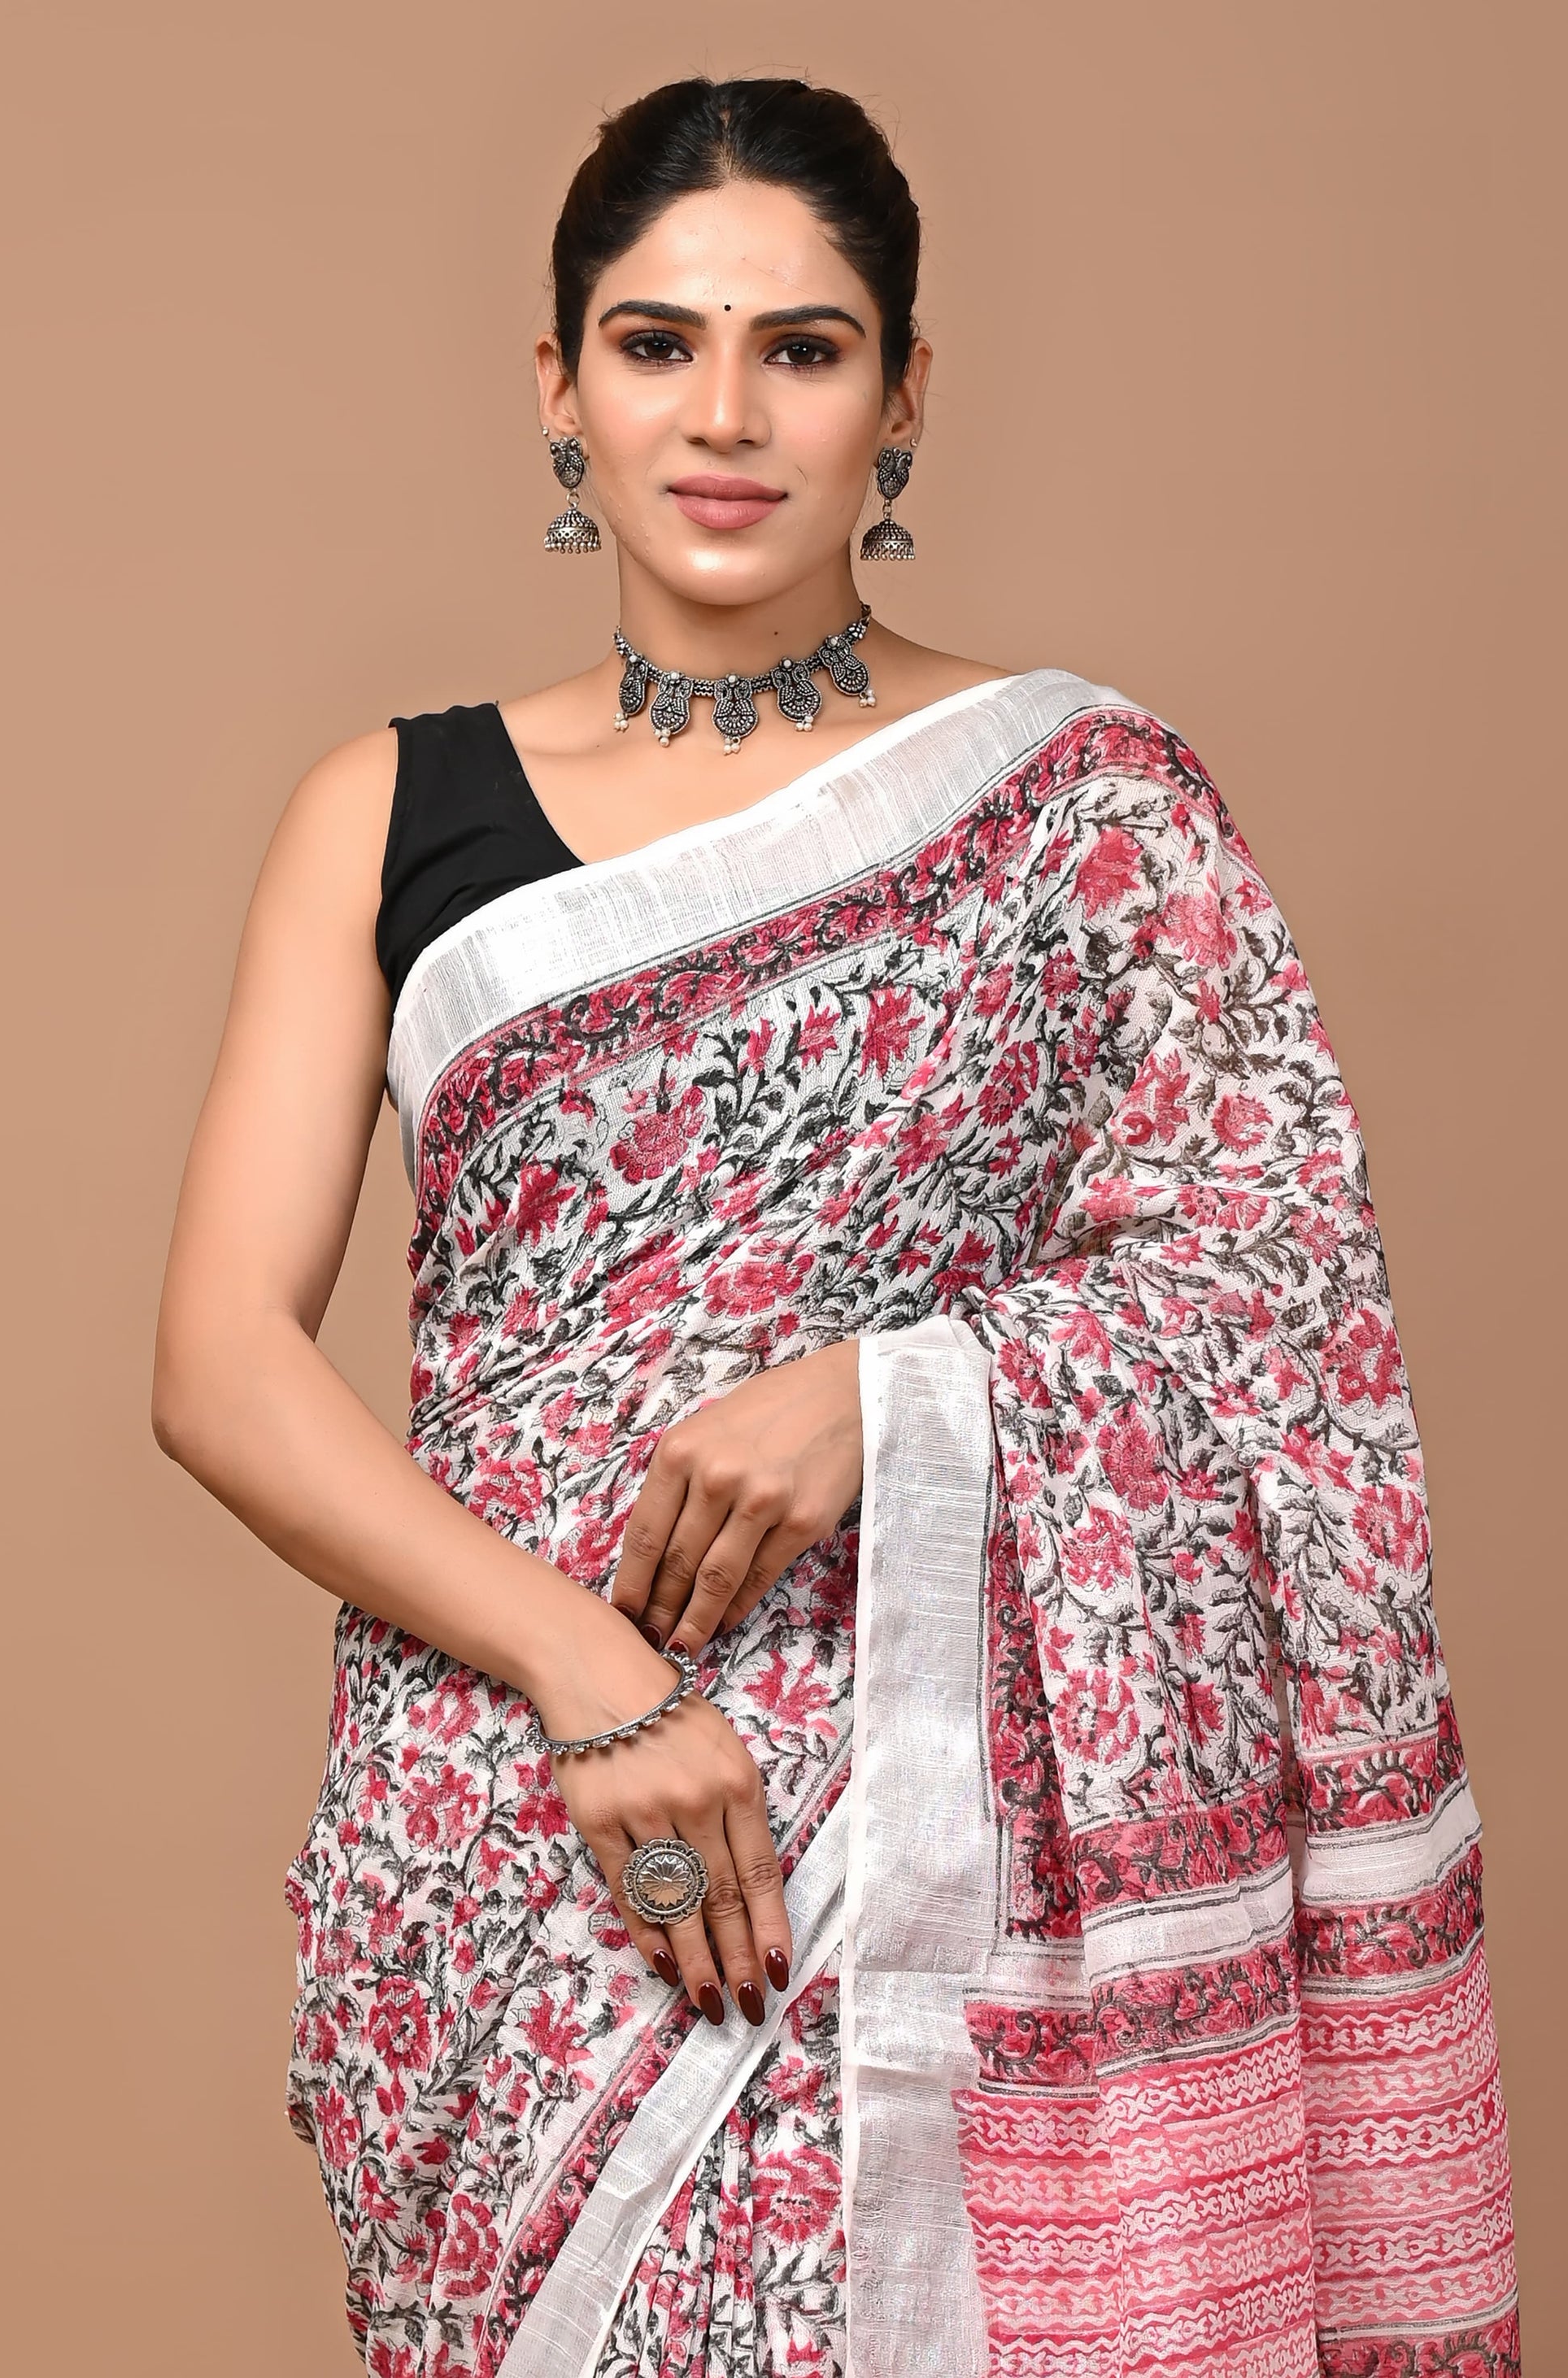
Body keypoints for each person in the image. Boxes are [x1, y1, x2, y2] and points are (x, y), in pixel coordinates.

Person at [152, 75, 1518, 2378]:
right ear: (558, 385)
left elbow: (1269, 1280)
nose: (724, 414)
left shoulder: (1082, 803)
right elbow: (218, 1365)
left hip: (951, 1824)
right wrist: (599, 1686)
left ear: (902, 394)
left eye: (800, 347)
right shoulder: (389, 812)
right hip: (511, 1818)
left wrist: (887, 1398)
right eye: (655, 341)